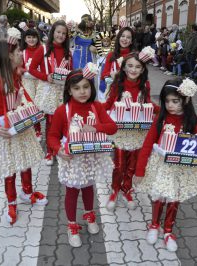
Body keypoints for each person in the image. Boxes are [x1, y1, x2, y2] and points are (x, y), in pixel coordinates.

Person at [133, 79, 197, 252]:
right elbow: (147, 144)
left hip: (180, 167)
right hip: (161, 166)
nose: (170, 105)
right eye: (167, 101)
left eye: (175, 101)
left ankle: (168, 230)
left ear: (185, 100)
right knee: (159, 195)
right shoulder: (161, 120)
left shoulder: (191, 120)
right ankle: (154, 224)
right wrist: (139, 170)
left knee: (174, 198)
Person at [0, 38, 47, 225]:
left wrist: (31, 110)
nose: (21, 55)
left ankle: (27, 192)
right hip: (4, 130)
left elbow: (23, 97)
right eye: (17, 52)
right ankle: (12, 202)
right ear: (8, 56)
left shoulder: (16, 76)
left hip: (19, 124)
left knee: (25, 162)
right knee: (10, 168)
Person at [48, 68, 117, 248]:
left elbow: (112, 127)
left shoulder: (96, 107)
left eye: (85, 87)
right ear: (69, 90)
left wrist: (97, 128)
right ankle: (71, 225)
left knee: (88, 188)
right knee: (72, 192)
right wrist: (58, 150)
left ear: (91, 88)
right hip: (72, 159)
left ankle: (89, 214)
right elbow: (52, 136)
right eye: (77, 88)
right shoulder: (62, 110)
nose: (82, 92)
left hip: (91, 157)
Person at [103, 53, 159, 211]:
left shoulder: (145, 84)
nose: (133, 70)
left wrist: (163, 112)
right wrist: (94, 111)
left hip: (138, 131)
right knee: (119, 164)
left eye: (138, 67)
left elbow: (147, 103)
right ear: (124, 67)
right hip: (121, 131)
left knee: (132, 165)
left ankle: (126, 189)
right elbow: (109, 103)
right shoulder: (118, 83)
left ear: (142, 69)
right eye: (130, 66)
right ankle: (115, 189)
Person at [29, 20, 72, 166]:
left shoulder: (68, 52)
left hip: (62, 91)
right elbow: (32, 69)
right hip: (48, 90)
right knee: (50, 121)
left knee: (62, 121)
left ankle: (59, 148)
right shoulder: (42, 49)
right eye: (58, 32)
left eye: (64, 33)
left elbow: (71, 72)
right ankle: (49, 151)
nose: (60, 35)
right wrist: (45, 76)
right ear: (53, 32)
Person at [20, 28, 42, 141]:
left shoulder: (42, 50)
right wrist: (26, 71)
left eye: (34, 37)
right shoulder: (22, 52)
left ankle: (38, 130)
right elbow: (18, 67)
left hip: (40, 82)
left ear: (38, 38)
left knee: (39, 106)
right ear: (25, 39)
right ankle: (33, 130)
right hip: (27, 82)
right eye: (29, 37)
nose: (31, 39)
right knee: (30, 106)